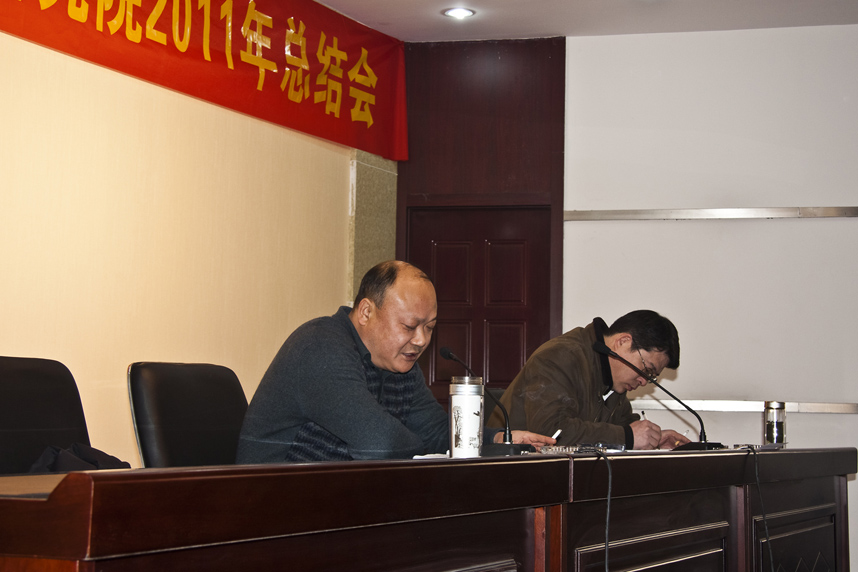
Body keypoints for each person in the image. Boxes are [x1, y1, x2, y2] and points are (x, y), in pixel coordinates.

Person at [237, 260, 554, 463]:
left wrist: (498, 439)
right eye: (409, 326)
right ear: (366, 312)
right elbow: (381, 444)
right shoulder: (320, 347)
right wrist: (424, 450)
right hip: (273, 510)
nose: (421, 340)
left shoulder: (398, 363)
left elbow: (433, 431)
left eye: (429, 328)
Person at [487, 310, 691, 450]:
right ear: (623, 342)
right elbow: (551, 432)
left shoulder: (613, 376)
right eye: (646, 370)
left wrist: (653, 440)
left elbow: (623, 426)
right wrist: (627, 437)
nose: (644, 381)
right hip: (512, 476)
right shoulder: (560, 356)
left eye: (651, 376)